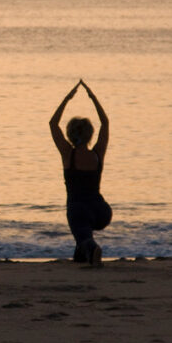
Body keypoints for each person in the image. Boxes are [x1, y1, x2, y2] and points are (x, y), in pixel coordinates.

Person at [50, 80, 113, 266]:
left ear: (70, 134)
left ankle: (92, 249)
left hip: (79, 209)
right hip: (102, 211)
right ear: (90, 135)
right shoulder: (97, 154)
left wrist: (67, 99)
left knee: (82, 230)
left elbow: (53, 124)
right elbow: (105, 123)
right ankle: (81, 252)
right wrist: (93, 97)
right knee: (83, 232)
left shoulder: (68, 154)